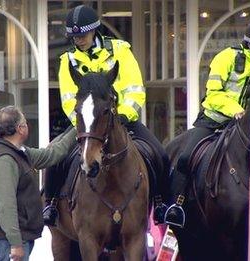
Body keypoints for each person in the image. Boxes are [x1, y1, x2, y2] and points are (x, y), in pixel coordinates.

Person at [42, 4, 170, 226]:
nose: (78, 40)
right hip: (88, 125)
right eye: (74, 36)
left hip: (122, 120)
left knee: (159, 153)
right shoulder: (68, 60)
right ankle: (51, 204)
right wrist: (85, 126)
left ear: (93, 31)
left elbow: (135, 88)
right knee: (57, 157)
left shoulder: (120, 50)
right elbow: (68, 99)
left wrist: (123, 116)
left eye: (81, 35)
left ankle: (161, 204)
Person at [164, 21, 250, 228]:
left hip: (245, 127)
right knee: (186, 157)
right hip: (215, 121)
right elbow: (214, 94)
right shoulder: (226, 58)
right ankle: (175, 206)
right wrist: (236, 111)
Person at [0, 106, 76, 261]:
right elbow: (6, 206)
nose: (27, 126)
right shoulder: (5, 161)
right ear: (20, 128)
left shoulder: (20, 152)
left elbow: (51, 155)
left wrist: (77, 127)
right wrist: (15, 244)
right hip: (9, 242)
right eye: (25, 123)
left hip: (20, 238)